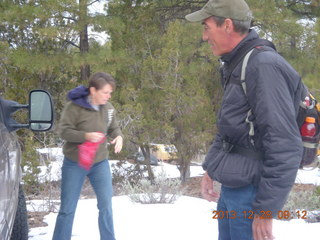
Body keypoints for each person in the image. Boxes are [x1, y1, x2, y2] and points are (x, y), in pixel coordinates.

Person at [185, 1, 303, 240]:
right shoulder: (238, 63)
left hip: (251, 195)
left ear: (227, 25)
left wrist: (265, 210)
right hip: (233, 188)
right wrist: (212, 167)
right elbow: (230, 126)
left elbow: (285, 143)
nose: (204, 36)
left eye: (207, 27)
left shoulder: (263, 66)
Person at [52, 72, 123, 240]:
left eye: (110, 92)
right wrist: (86, 136)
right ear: (93, 90)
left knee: (106, 206)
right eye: (105, 92)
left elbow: (114, 128)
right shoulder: (74, 107)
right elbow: (63, 131)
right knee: (67, 209)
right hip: (75, 163)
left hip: (99, 163)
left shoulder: (109, 108)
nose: (108, 96)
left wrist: (119, 136)